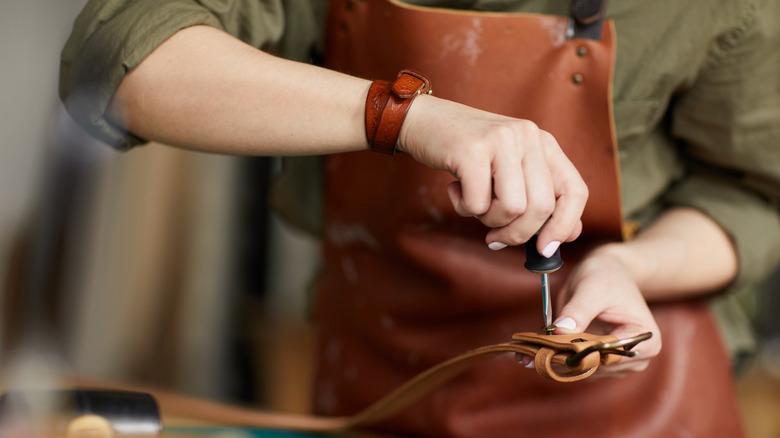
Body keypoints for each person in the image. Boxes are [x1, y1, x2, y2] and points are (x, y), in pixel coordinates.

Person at [59, 0, 780, 437]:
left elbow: (753, 197)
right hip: (378, 385)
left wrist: (629, 266)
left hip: (628, 412)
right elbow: (113, 61)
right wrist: (408, 116)